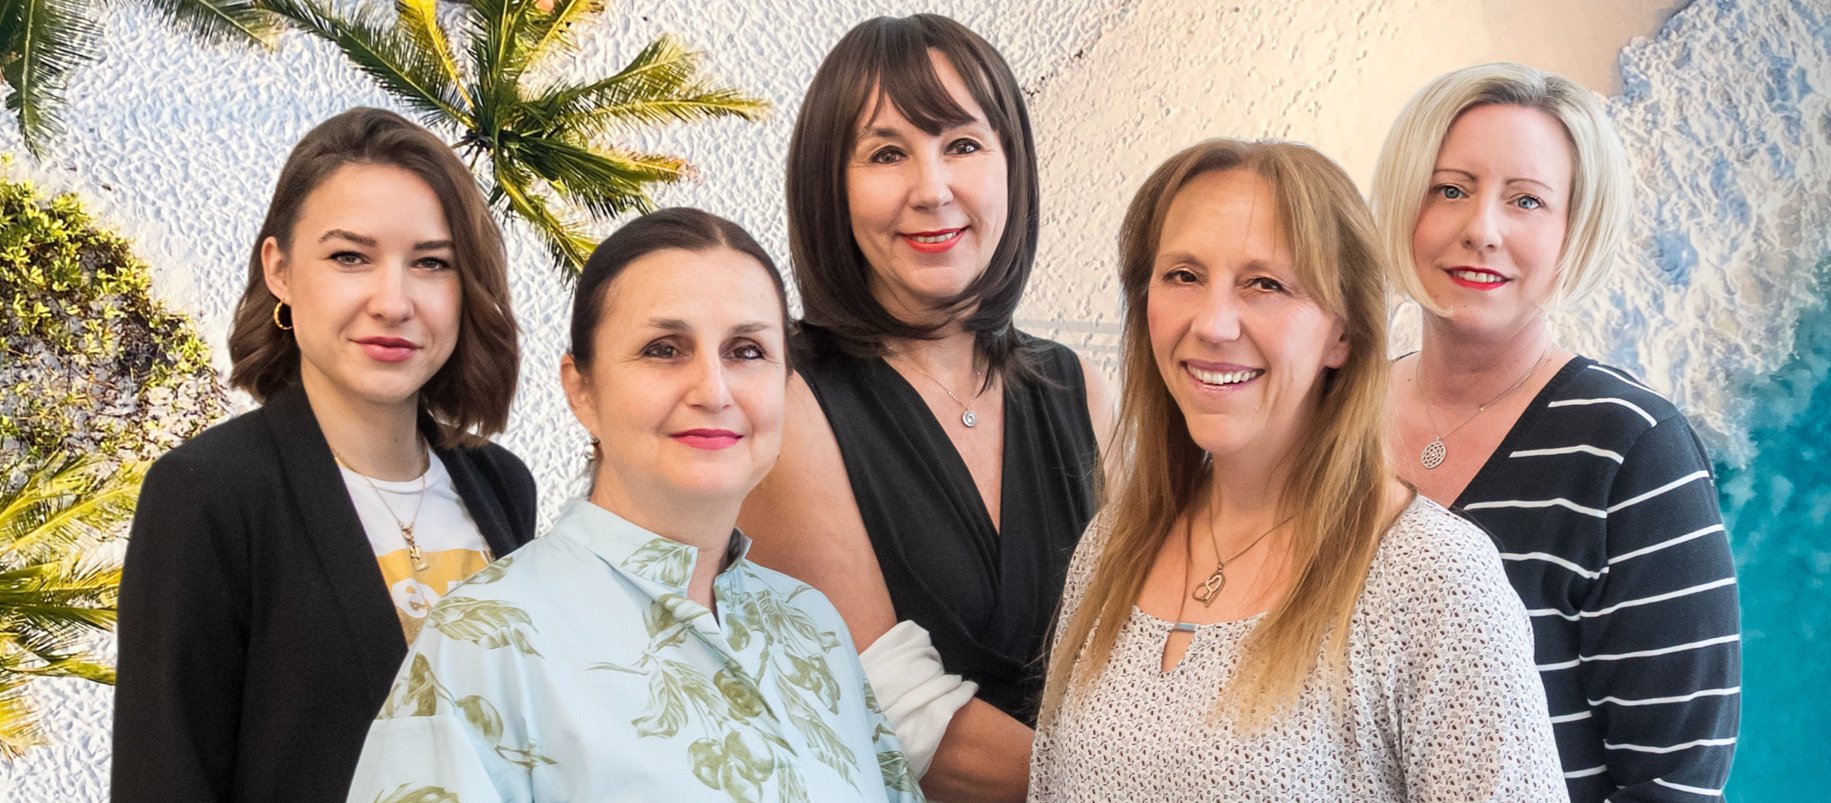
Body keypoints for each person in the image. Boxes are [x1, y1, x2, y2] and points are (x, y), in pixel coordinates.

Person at [1030, 139, 1567, 801]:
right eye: (1183, 276)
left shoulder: (1433, 578)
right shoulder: (1112, 545)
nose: (1213, 323)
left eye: (1265, 284)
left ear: (1343, 332)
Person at [346, 208, 920, 802]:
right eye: (664, 349)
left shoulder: (812, 627)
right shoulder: (485, 642)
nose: (713, 391)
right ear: (582, 389)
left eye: (747, 351)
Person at [737, 14, 1113, 800]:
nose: (932, 189)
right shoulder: (785, 401)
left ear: (1011, 165)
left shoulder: (1078, 386)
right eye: (886, 154)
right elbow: (899, 719)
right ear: (830, 187)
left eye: (962, 145)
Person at [112, 108, 536, 802]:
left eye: (432, 263)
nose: (393, 302)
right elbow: (164, 775)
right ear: (279, 270)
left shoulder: (502, 485)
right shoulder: (208, 492)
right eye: (349, 257)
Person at [1371, 62, 1740, 801]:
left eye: (1526, 201)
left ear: (1574, 232)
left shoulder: (1631, 448)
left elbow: (1673, 782)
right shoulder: (1330, 418)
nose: (1481, 230)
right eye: (1450, 189)